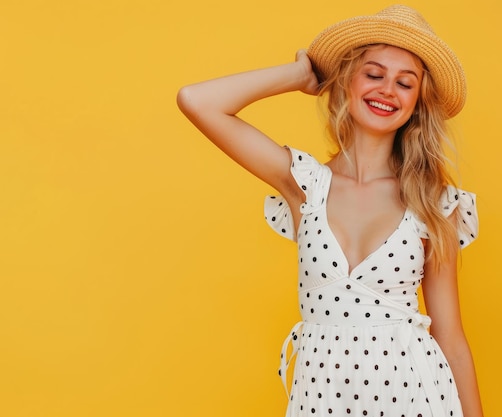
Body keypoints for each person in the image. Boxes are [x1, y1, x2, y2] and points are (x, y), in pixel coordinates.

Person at [177, 4, 483, 417]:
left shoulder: (432, 201)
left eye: (405, 83)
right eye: (373, 74)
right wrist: (300, 75)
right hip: (321, 397)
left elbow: (451, 336)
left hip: (415, 393)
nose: (387, 90)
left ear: (417, 102)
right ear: (347, 82)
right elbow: (197, 101)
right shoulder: (303, 183)